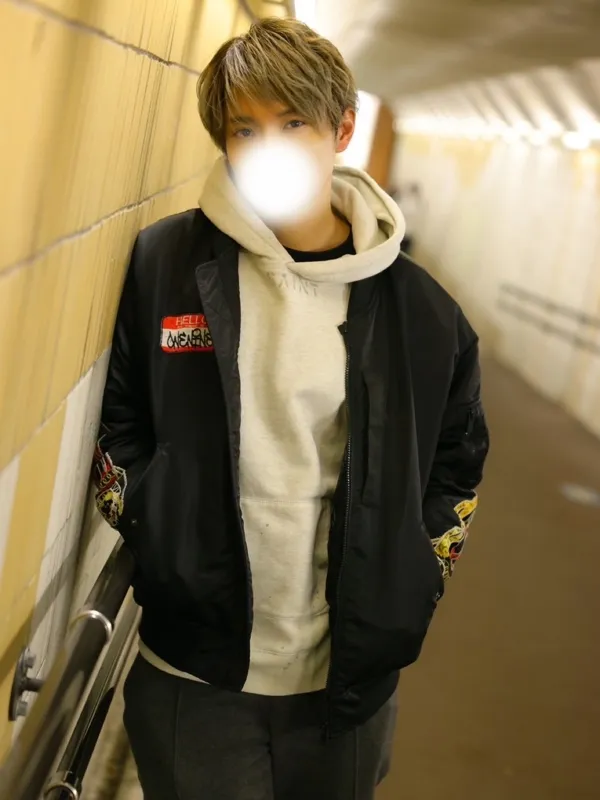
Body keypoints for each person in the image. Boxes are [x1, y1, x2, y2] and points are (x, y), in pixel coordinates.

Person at [94, 17, 489, 800]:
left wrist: (418, 573)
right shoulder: (167, 265)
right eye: (245, 129)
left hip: (346, 688)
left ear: (341, 130)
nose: (266, 148)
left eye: (292, 123)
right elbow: (122, 422)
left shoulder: (423, 314)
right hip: (194, 673)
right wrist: (155, 527)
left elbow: (458, 462)